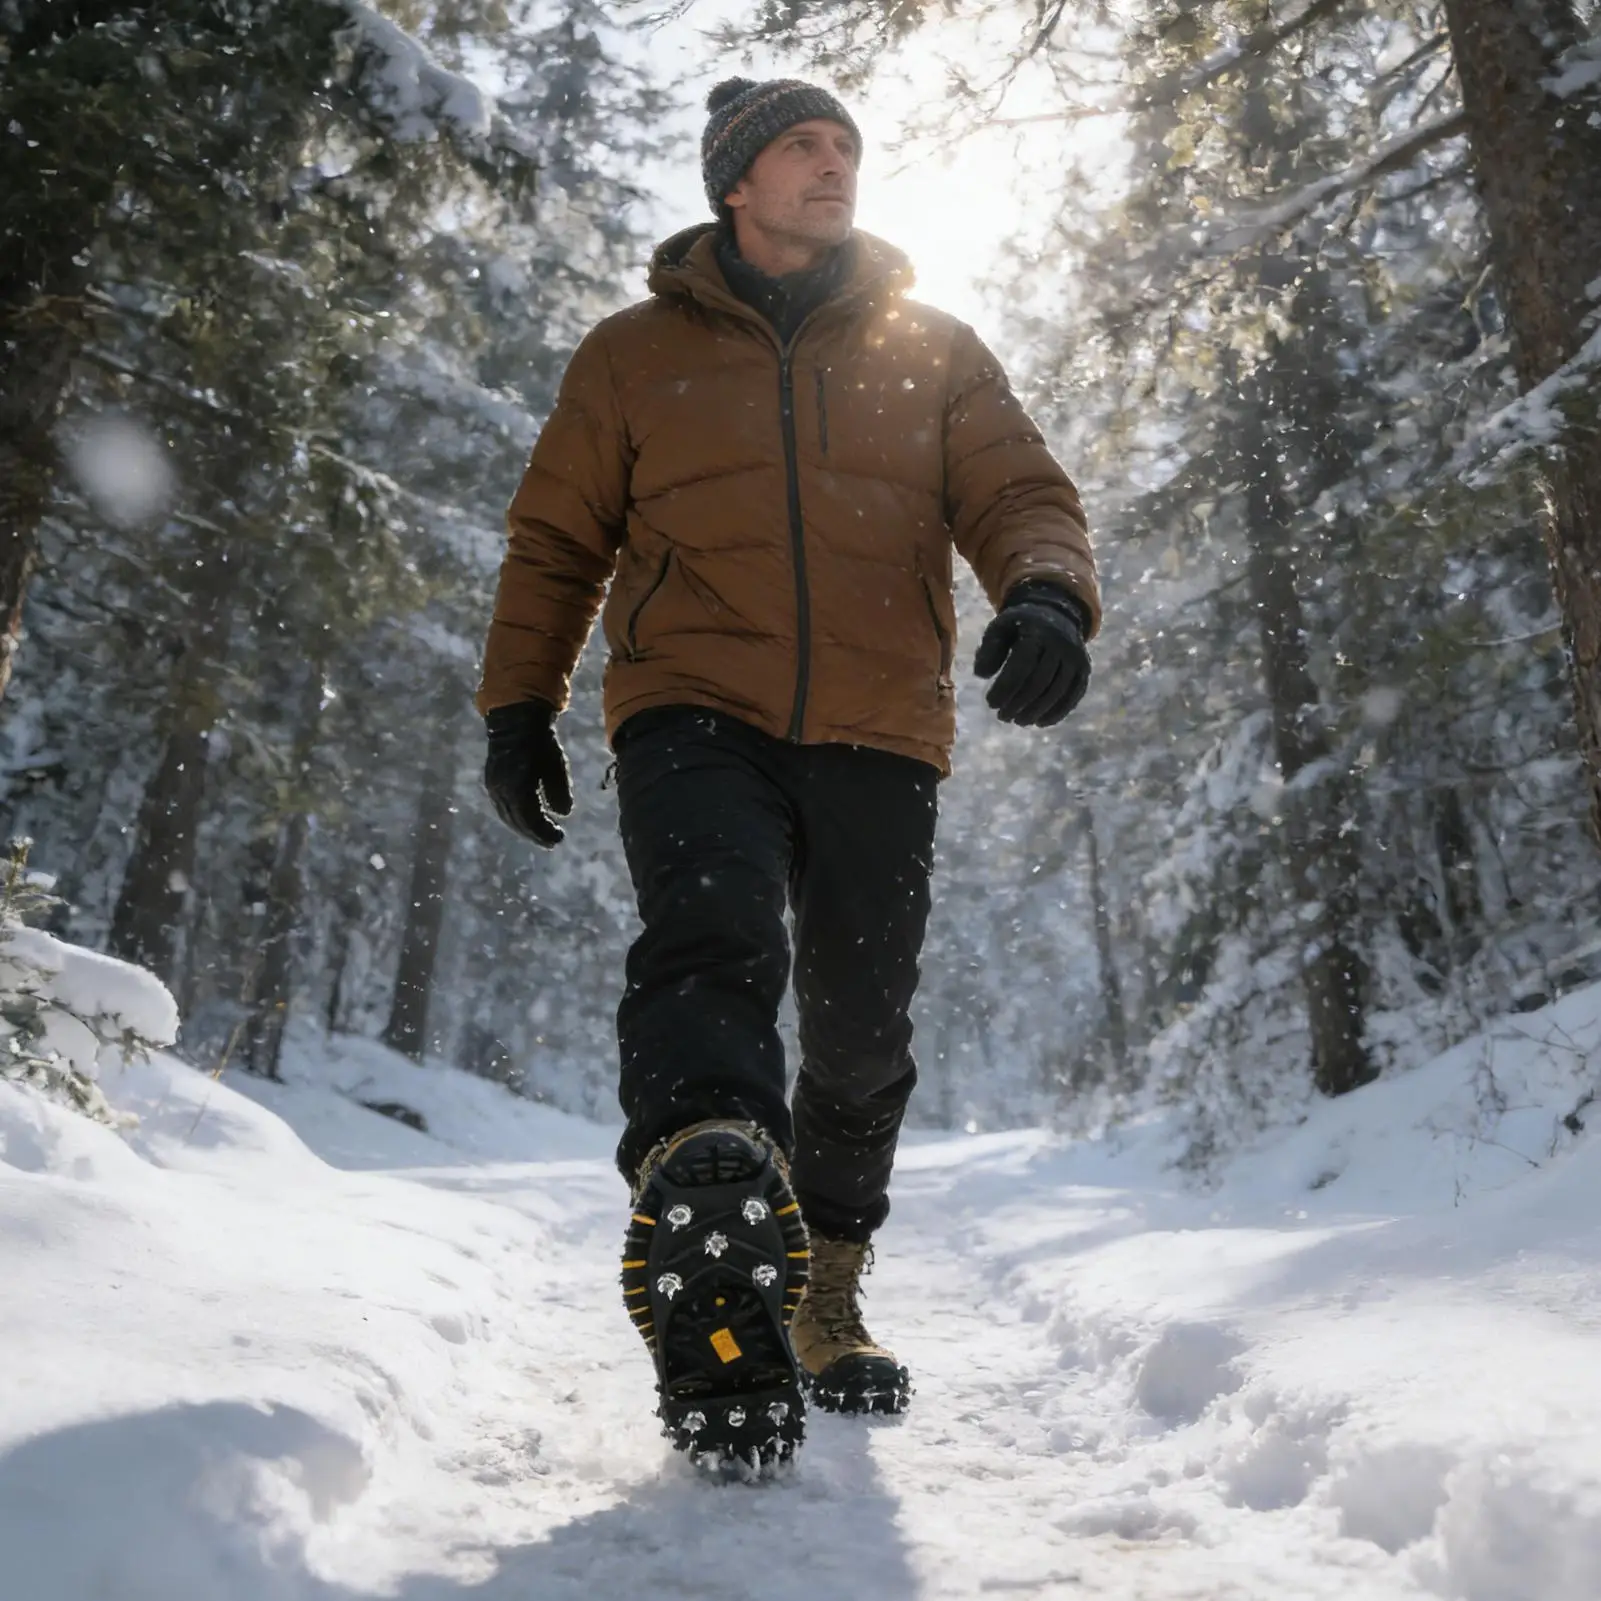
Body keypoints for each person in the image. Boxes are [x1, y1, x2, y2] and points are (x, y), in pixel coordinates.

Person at [476, 76, 1100, 1470]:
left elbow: (1019, 491)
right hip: (692, 707)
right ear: (736, 183)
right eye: (803, 147)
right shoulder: (631, 355)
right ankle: (708, 1188)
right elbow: (556, 545)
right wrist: (519, 705)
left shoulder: (933, 346)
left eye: (847, 148)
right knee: (711, 935)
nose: (834, 165)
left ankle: (823, 1289)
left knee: (863, 1028)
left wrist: (1049, 593)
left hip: (881, 725)